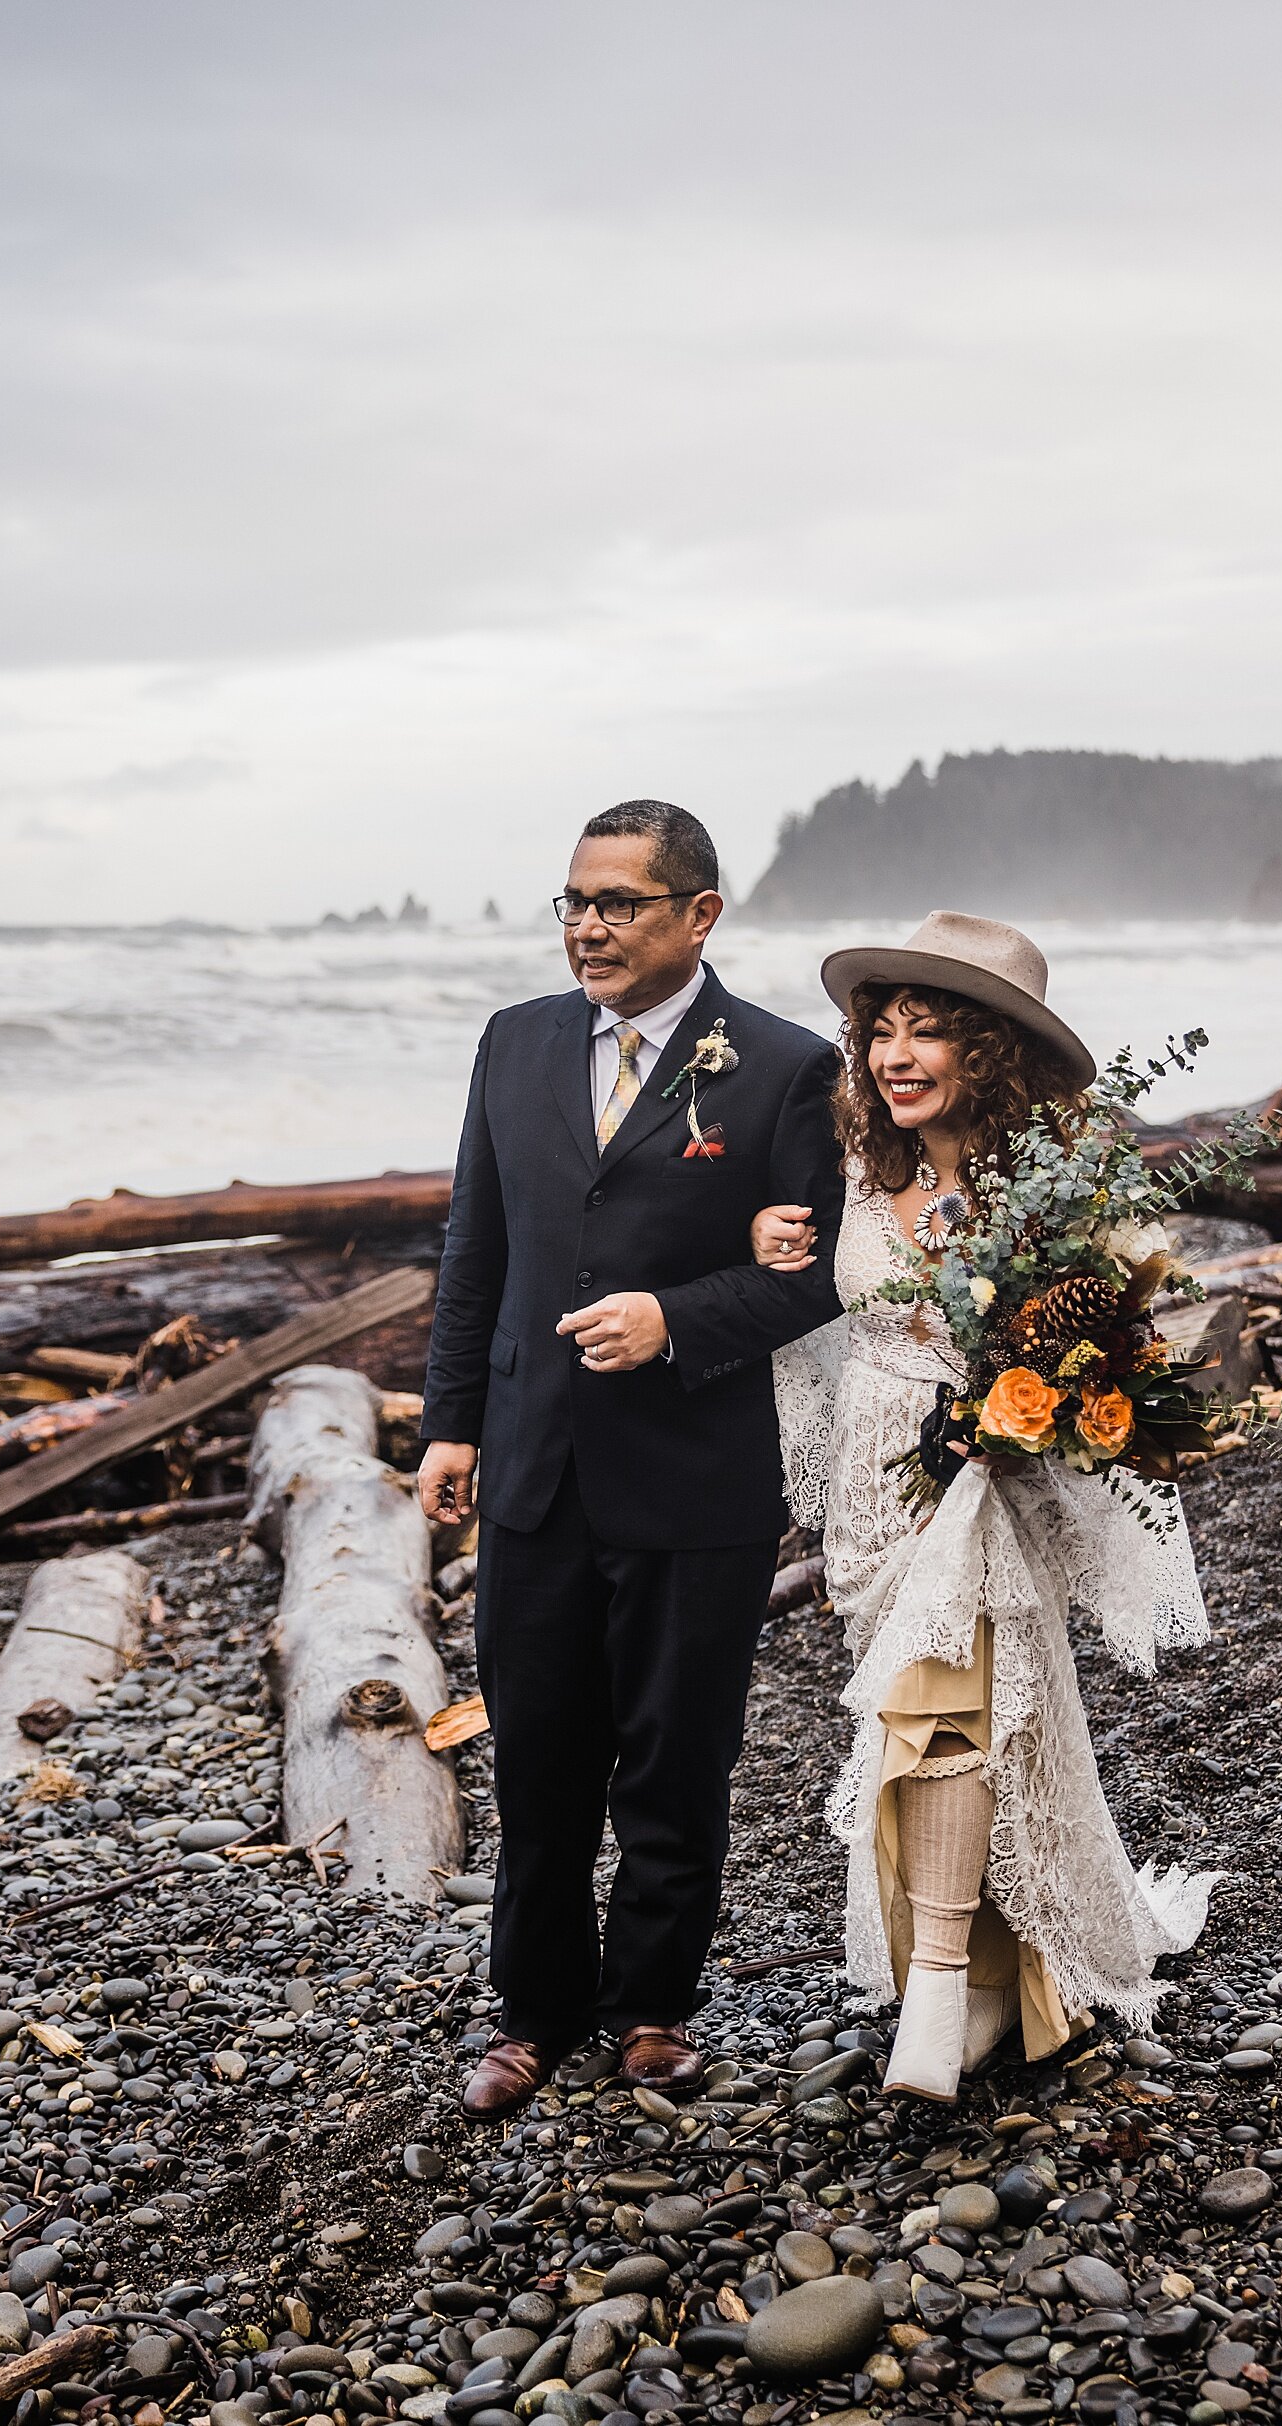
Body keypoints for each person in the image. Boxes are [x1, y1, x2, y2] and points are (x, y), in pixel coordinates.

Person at [417, 799, 847, 2120]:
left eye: (620, 903)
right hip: (534, 1466)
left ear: (699, 914)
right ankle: (534, 2012)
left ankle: (653, 2004)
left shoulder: (779, 1067)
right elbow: (472, 1248)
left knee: (674, 1759)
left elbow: (816, 1270)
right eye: (574, 901)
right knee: (538, 1759)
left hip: (695, 1474)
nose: (588, 926)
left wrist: (676, 1320)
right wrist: (451, 1421)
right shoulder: (514, 1043)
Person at [752, 913, 1215, 2103]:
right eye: (883, 1031)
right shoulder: (853, 1169)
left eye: (930, 1033)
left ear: (990, 1053)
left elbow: (1142, 1330)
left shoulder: (1052, 1198)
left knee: (941, 1711)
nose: (896, 1055)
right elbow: (805, 1304)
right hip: (871, 1484)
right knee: (953, 1725)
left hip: (981, 1484)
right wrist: (766, 1242)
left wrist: (1065, 1396)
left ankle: (939, 1991)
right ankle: (1006, 1988)